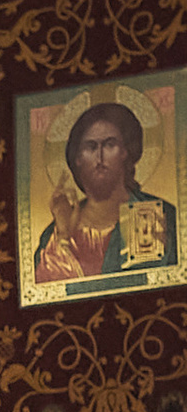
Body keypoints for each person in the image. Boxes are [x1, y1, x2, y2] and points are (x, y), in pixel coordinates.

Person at [34, 100, 179, 283]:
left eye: (110, 145)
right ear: (77, 158)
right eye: (91, 147)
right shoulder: (55, 234)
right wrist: (62, 236)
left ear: (125, 152)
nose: (100, 156)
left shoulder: (161, 215)